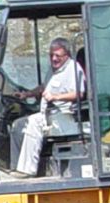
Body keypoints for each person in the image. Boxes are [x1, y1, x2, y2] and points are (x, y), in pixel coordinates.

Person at [8, 38, 82, 178]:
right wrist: (27, 94)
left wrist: (55, 97)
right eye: (51, 55)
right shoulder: (54, 70)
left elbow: (79, 93)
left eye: (58, 56)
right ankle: (16, 166)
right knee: (18, 125)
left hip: (65, 116)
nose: (54, 59)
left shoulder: (73, 69)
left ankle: (28, 170)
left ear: (67, 55)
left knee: (33, 122)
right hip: (50, 114)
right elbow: (44, 87)